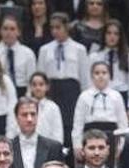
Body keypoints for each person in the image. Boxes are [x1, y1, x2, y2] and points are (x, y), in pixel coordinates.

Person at [36, 12, 91, 150]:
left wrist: (86, 100)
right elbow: (40, 74)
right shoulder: (45, 49)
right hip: (52, 89)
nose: (55, 31)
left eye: (58, 27)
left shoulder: (79, 49)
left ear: (66, 27)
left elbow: (84, 77)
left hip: (71, 90)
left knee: (69, 125)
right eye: (52, 28)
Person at [71, 61, 129, 164]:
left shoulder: (116, 96)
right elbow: (77, 123)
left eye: (104, 73)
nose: (100, 76)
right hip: (89, 134)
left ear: (109, 75)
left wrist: (122, 145)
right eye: (97, 73)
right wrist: (77, 144)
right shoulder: (84, 96)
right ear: (92, 76)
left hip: (111, 136)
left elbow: (123, 123)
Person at [89, 19, 129, 123]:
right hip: (101, 95)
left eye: (116, 34)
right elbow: (89, 81)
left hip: (122, 95)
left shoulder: (128, 57)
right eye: (109, 33)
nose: (112, 37)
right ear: (104, 35)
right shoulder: (95, 56)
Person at [8, 97, 66, 168]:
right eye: (24, 115)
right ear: (16, 118)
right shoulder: (7, 148)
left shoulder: (54, 147)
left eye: (33, 114)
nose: (29, 119)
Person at [0, 16, 36, 98]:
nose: (8, 32)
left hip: (21, 91)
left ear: (19, 32)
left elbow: (31, 79)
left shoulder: (28, 53)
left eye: (12, 29)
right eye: (5, 29)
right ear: (0, 31)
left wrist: (28, 97)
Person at [25, 72, 65, 144]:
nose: (38, 88)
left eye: (41, 84)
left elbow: (57, 132)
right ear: (30, 87)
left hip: (48, 148)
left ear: (47, 87)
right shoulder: (24, 106)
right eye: (34, 85)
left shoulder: (53, 107)